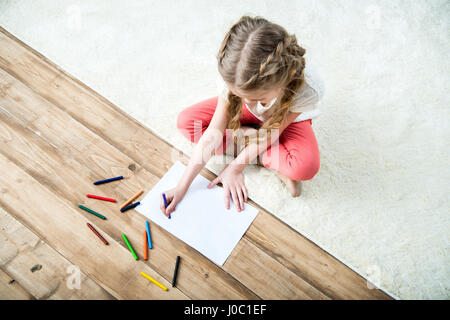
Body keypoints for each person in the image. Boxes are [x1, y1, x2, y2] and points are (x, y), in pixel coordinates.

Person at [161, 15, 324, 217]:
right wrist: (182, 187)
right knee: (187, 123)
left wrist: (235, 167)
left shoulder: (308, 88)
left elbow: (272, 133)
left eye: (259, 98)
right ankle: (264, 154)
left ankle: (255, 146)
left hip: (282, 121)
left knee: (304, 167)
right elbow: (213, 133)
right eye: (241, 96)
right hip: (251, 118)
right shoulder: (235, 74)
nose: (248, 103)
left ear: (285, 80)